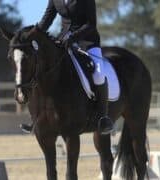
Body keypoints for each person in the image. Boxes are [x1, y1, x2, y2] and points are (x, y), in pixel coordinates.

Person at [21, 0, 114, 134]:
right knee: (42, 69)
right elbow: (47, 19)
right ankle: (37, 116)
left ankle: (103, 118)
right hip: (63, 41)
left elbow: (91, 24)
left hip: (87, 41)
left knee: (98, 74)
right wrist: (30, 35)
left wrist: (73, 37)